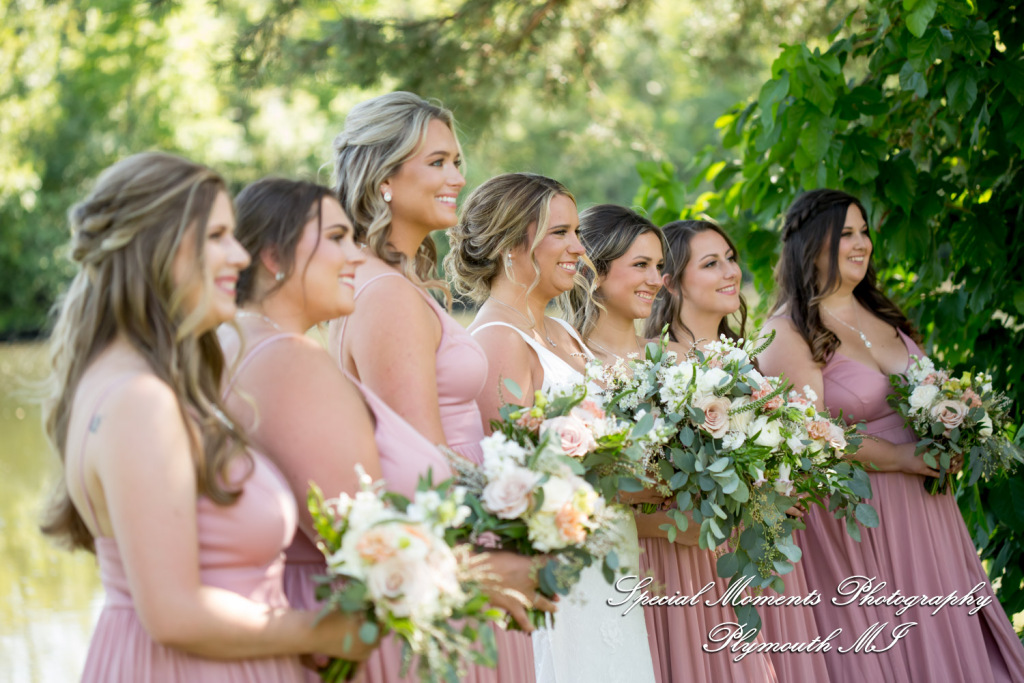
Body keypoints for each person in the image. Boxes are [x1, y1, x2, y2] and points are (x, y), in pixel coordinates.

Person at [39, 152, 373, 682]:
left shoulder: (116, 379)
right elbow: (174, 612)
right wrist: (324, 631)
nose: (239, 255)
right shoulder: (141, 400)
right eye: (217, 236)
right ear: (157, 245)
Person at [221, 177, 552, 682]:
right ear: (274, 257)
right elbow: (354, 534)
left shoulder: (242, 343)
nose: (354, 256)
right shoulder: (287, 359)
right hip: (356, 627)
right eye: (336, 240)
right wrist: (479, 573)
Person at [758, 189, 1024, 683]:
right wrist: (901, 456)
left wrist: (952, 432)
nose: (861, 244)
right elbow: (808, 437)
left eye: (864, 232)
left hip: (928, 507)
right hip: (862, 513)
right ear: (811, 245)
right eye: (846, 234)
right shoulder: (788, 333)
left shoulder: (882, 314)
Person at [327, 91, 543, 683]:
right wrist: (478, 568)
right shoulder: (387, 295)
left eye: (457, 161)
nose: (458, 177)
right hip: (450, 550)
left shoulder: (376, 281)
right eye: (438, 162)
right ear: (384, 179)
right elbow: (420, 467)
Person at [446, 175, 658, 683]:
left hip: (612, 555)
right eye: (560, 232)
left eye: (576, 232)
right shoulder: (497, 340)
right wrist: (631, 485)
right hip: (562, 571)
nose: (578, 248)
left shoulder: (561, 330)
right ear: (510, 245)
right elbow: (520, 481)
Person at [572, 209, 779, 683]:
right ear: (595, 271)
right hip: (629, 560)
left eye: (659, 266)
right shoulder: (572, 365)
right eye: (640, 265)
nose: (656, 279)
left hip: (697, 561)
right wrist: (662, 523)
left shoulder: (681, 360)